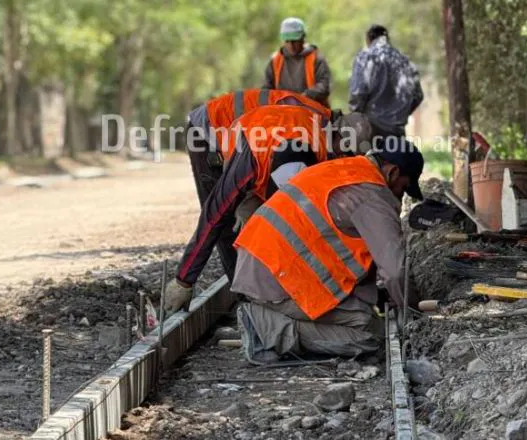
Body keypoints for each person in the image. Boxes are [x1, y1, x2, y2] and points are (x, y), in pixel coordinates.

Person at [165, 105, 373, 315]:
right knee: (228, 221)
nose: (341, 160)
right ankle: (246, 298)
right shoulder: (253, 157)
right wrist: (184, 280)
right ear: (338, 136)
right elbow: (213, 215)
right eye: (345, 153)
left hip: (272, 148)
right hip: (224, 134)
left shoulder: (319, 139)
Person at [231, 140, 424, 362]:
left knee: (363, 313)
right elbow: (395, 271)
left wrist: (378, 295)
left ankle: (269, 317)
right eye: (403, 188)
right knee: (371, 334)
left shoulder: (345, 170)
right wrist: (414, 313)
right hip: (274, 278)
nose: (400, 198)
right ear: (392, 172)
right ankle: (265, 329)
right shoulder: (372, 194)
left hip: (259, 265)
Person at [185, 89, 331, 207]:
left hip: (225, 126)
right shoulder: (311, 120)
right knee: (221, 208)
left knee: (233, 206)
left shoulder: (313, 121)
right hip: (205, 127)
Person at [348, 24, 423, 143]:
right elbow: (418, 95)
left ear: (368, 39)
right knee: (395, 161)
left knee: (372, 161)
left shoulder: (365, 58)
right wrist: (401, 114)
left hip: (371, 129)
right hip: (397, 130)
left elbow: (358, 93)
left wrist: (355, 118)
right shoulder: (405, 61)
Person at [263, 17, 331, 106]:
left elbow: (324, 87)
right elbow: (267, 88)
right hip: (282, 110)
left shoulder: (316, 59)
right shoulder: (275, 60)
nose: (291, 45)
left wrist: (304, 97)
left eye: (295, 41)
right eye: (287, 41)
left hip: (312, 110)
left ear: (303, 39)